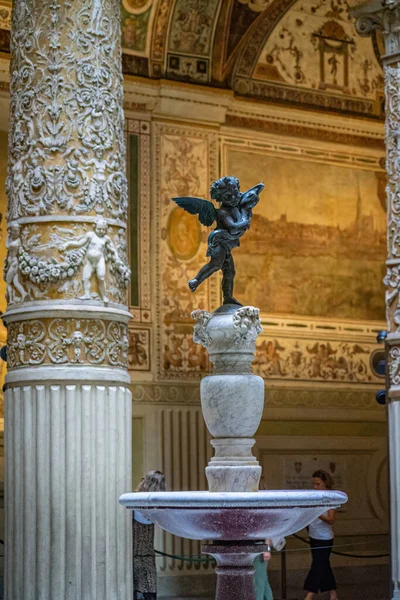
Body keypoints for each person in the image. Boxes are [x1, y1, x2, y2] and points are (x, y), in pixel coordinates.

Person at [303, 470, 338, 600]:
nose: (315, 487)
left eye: (318, 484)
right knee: (324, 564)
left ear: (325, 483)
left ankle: (310, 594)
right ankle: (333, 593)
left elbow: (331, 519)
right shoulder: (314, 496)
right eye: (314, 484)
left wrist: (317, 513)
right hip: (314, 536)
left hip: (325, 538)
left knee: (317, 565)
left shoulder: (331, 497)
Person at [133, 470, 166, 600]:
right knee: (148, 580)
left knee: (141, 580)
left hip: (138, 550)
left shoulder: (136, 500)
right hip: (145, 551)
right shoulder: (158, 504)